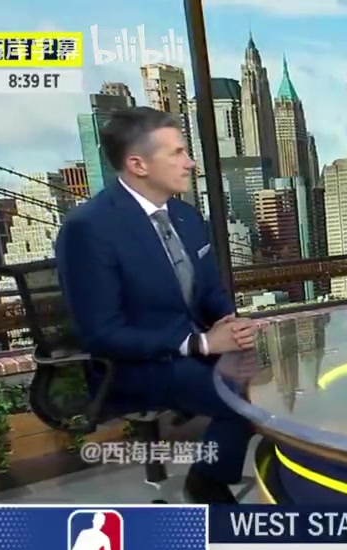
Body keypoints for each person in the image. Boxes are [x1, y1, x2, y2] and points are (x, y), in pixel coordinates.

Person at [56, 107, 257, 504]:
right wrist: (200, 343)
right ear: (138, 164)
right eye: (178, 153)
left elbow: (208, 292)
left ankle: (227, 478)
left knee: (271, 378)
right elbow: (101, 334)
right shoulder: (88, 229)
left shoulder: (186, 217)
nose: (190, 163)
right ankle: (207, 483)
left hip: (193, 351)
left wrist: (230, 323)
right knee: (241, 397)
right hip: (134, 366)